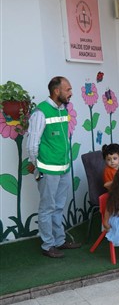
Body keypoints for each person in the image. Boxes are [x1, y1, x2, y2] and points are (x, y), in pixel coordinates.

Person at [26, 76, 81, 258]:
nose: (70, 93)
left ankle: (59, 240)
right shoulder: (40, 113)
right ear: (56, 91)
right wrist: (37, 166)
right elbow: (33, 144)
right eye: (68, 89)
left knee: (58, 207)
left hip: (63, 168)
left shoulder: (62, 110)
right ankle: (47, 245)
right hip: (48, 170)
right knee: (47, 208)